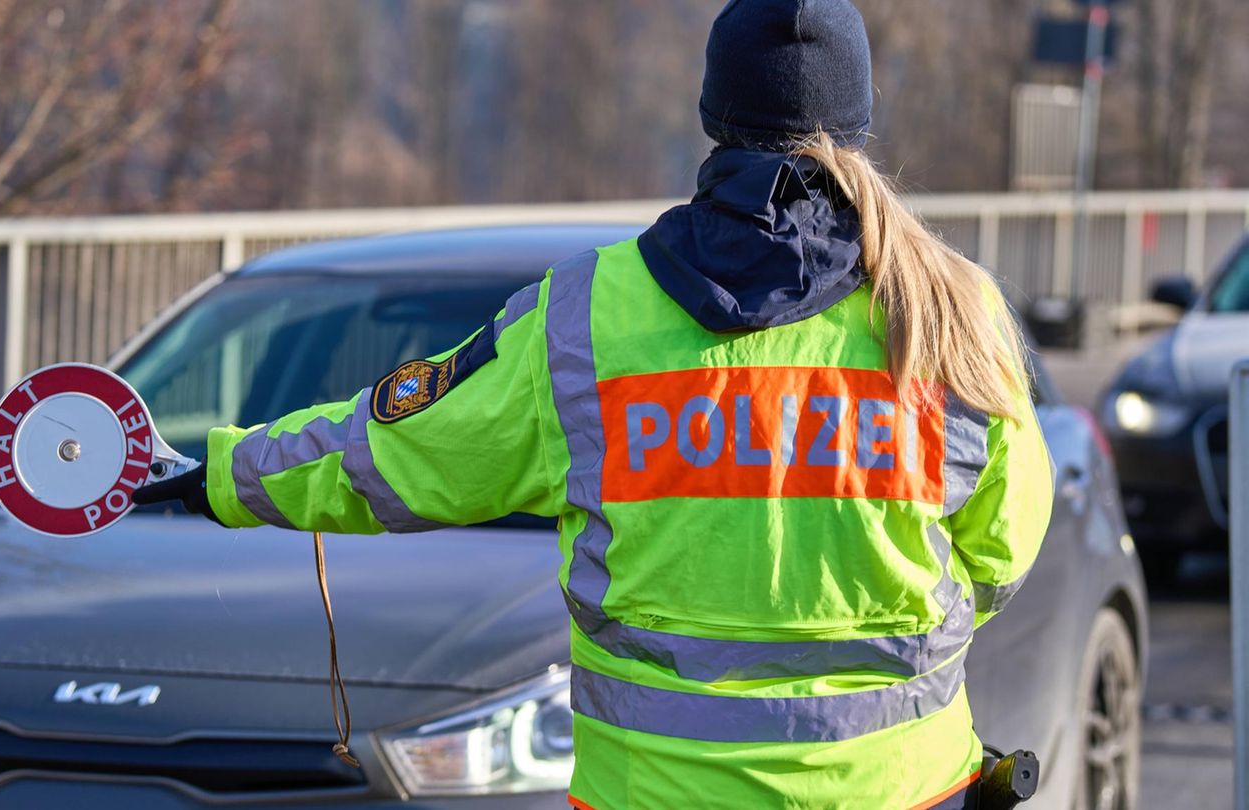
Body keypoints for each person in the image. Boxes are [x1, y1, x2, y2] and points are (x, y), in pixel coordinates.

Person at [134, 1, 1053, 807]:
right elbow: (1001, 555)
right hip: (903, 788)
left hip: (653, 794)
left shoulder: (585, 315)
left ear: (714, 116)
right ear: (857, 120)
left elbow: (395, 453)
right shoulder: (953, 311)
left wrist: (217, 474)